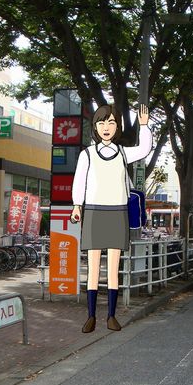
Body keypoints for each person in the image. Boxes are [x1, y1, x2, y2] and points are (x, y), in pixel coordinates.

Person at [71, 104, 152, 333]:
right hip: (95, 211)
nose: (106, 127)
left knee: (114, 268)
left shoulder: (124, 153)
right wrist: (77, 205)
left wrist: (144, 125)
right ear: (95, 127)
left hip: (118, 212)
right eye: (101, 123)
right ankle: (91, 316)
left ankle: (111, 316)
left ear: (117, 127)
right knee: (94, 267)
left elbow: (144, 148)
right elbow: (80, 181)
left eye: (111, 123)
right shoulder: (87, 154)